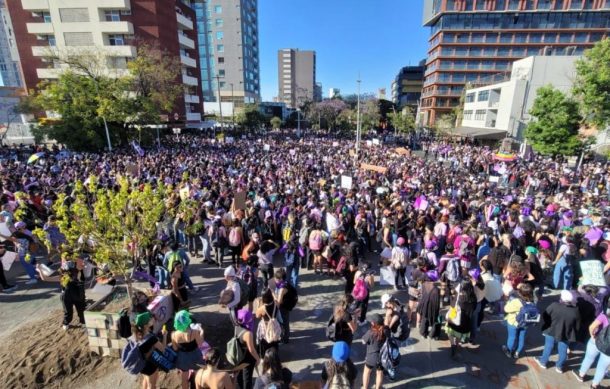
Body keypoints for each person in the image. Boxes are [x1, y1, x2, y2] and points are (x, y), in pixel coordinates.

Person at [536, 290, 583, 373]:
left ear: (562, 298)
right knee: (563, 350)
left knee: (548, 346)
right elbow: (577, 325)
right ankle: (559, 366)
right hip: (566, 333)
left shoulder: (554, 305)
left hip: (552, 330)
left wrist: (548, 323)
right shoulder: (576, 311)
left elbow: (545, 315)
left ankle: (543, 361)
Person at [37, 260, 86, 330]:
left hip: (78, 295)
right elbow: (45, 278)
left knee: (81, 310)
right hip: (67, 296)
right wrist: (40, 270)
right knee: (68, 312)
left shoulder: (79, 274)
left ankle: (83, 322)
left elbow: (81, 266)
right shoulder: (63, 277)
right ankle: (66, 323)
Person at [573, 311, 610, 388]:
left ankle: (581, 375)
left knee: (589, 358)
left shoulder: (604, 315)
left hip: (597, 341)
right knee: (602, 368)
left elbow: (591, 327)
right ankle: (594, 385)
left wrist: (592, 336)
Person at [133, 311, 167, 389]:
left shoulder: (137, 335)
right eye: (150, 319)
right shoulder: (151, 338)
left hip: (142, 364)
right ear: (146, 325)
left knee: (146, 379)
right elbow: (163, 349)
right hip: (150, 365)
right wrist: (164, 335)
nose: (152, 319)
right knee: (152, 385)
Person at [172, 310, 204, 389]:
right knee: (197, 377)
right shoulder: (194, 332)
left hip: (183, 358)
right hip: (195, 356)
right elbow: (200, 344)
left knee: (184, 378)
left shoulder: (173, 334)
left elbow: (175, 348)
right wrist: (202, 332)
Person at [445, 279, 477, 358]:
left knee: (450, 331)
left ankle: (453, 345)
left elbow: (452, 307)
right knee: (459, 334)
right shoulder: (474, 298)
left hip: (456, 321)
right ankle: (457, 343)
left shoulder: (459, 298)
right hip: (466, 323)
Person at [502, 283, 535, 359]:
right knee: (521, 337)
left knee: (512, 337)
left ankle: (509, 351)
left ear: (520, 293)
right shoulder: (532, 301)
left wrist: (509, 302)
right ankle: (517, 353)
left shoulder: (516, 301)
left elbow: (506, 309)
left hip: (514, 322)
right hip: (526, 323)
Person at [234, 308, 261, 389]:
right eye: (249, 317)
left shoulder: (237, 326)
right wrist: (258, 359)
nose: (251, 318)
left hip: (239, 355)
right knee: (247, 378)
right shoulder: (248, 333)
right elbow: (251, 349)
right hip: (247, 358)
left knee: (240, 375)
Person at [361, 313, 388, 389]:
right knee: (379, 373)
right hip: (382, 356)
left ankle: (365, 387)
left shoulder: (370, 333)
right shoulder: (386, 330)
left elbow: (363, 341)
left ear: (374, 323)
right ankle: (378, 387)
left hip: (371, 357)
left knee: (367, 372)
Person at [417, 270, 441, 339]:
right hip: (432, 307)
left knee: (424, 318)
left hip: (424, 305)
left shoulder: (424, 284)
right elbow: (437, 302)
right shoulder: (436, 289)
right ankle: (432, 334)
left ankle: (423, 333)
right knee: (435, 320)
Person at [272, 268, 290, 344]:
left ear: (281, 279)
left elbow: (279, 302)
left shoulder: (282, 288)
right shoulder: (282, 283)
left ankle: (285, 338)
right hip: (284, 306)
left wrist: (272, 293)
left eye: (276, 278)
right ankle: (285, 335)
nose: (275, 279)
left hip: (283, 307)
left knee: (283, 322)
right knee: (284, 322)